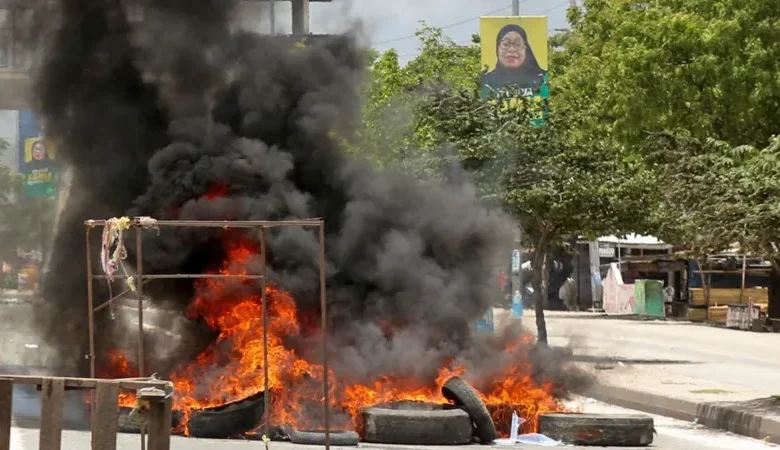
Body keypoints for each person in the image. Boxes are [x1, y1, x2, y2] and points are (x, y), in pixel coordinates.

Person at [481, 24, 547, 95]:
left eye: (518, 44)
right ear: (497, 47)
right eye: (505, 44)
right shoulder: (486, 81)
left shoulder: (544, 79)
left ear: (526, 48)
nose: (511, 49)